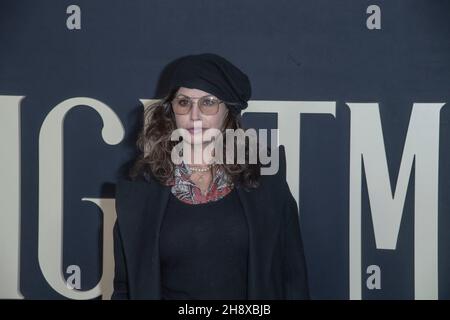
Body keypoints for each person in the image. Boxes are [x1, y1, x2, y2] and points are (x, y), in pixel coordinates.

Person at [112, 53, 309, 299]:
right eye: (183, 102)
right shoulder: (140, 189)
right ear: (171, 110)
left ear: (229, 110)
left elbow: (293, 276)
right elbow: (124, 287)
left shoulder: (266, 179)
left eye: (208, 102)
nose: (194, 115)